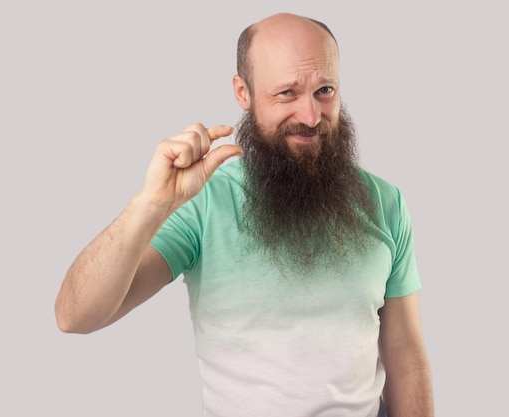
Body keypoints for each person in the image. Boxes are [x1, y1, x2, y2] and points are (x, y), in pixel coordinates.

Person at [54, 12, 434, 417]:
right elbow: (75, 316)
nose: (311, 116)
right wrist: (150, 204)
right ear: (243, 92)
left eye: (324, 90)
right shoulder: (202, 201)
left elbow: (405, 356)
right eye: (286, 93)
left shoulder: (385, 202)